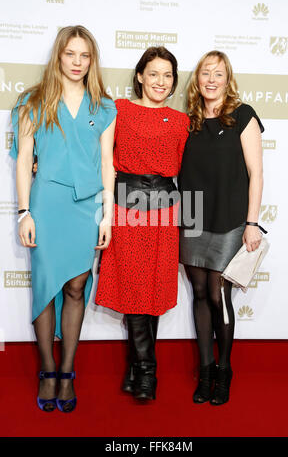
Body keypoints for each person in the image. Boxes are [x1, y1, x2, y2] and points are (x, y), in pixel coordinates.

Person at [10, 25, 116, 412]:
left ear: (92, 60)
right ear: (59, 56)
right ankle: (48, 368)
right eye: (70, 54)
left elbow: (107, 163)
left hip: (87, 208)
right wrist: (24, 212)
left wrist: (107, 215)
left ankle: (68, 370)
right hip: (47, 205)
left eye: (85, 55)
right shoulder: (32, 101)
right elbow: (23, 160)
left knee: (76, 288)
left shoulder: (105, 105)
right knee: (44, 288)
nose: (77, 62)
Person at [95, 47, 189, 401]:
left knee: (153, 287)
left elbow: (187, 169)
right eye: (153, 74)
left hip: (166, 210)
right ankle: (148, 370)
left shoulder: (181, 121)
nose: (160, 82)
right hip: (128, 205)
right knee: (134, 284)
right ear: (140, 76)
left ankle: (137, 368)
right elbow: (100, 155)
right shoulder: (120, 109)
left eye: (167, 75)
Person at [178, 50, 264, 405]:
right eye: (205, 73)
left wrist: (252, 223)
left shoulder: (243, 116)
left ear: (228, 80)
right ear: (197, 79)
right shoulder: (190, 121)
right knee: (199, 294)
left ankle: (225, 369)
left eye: (219, 74)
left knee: (219, 295)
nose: (211, 80)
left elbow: (256, 173)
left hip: (229, 217)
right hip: (193, 214)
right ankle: (207, 369)